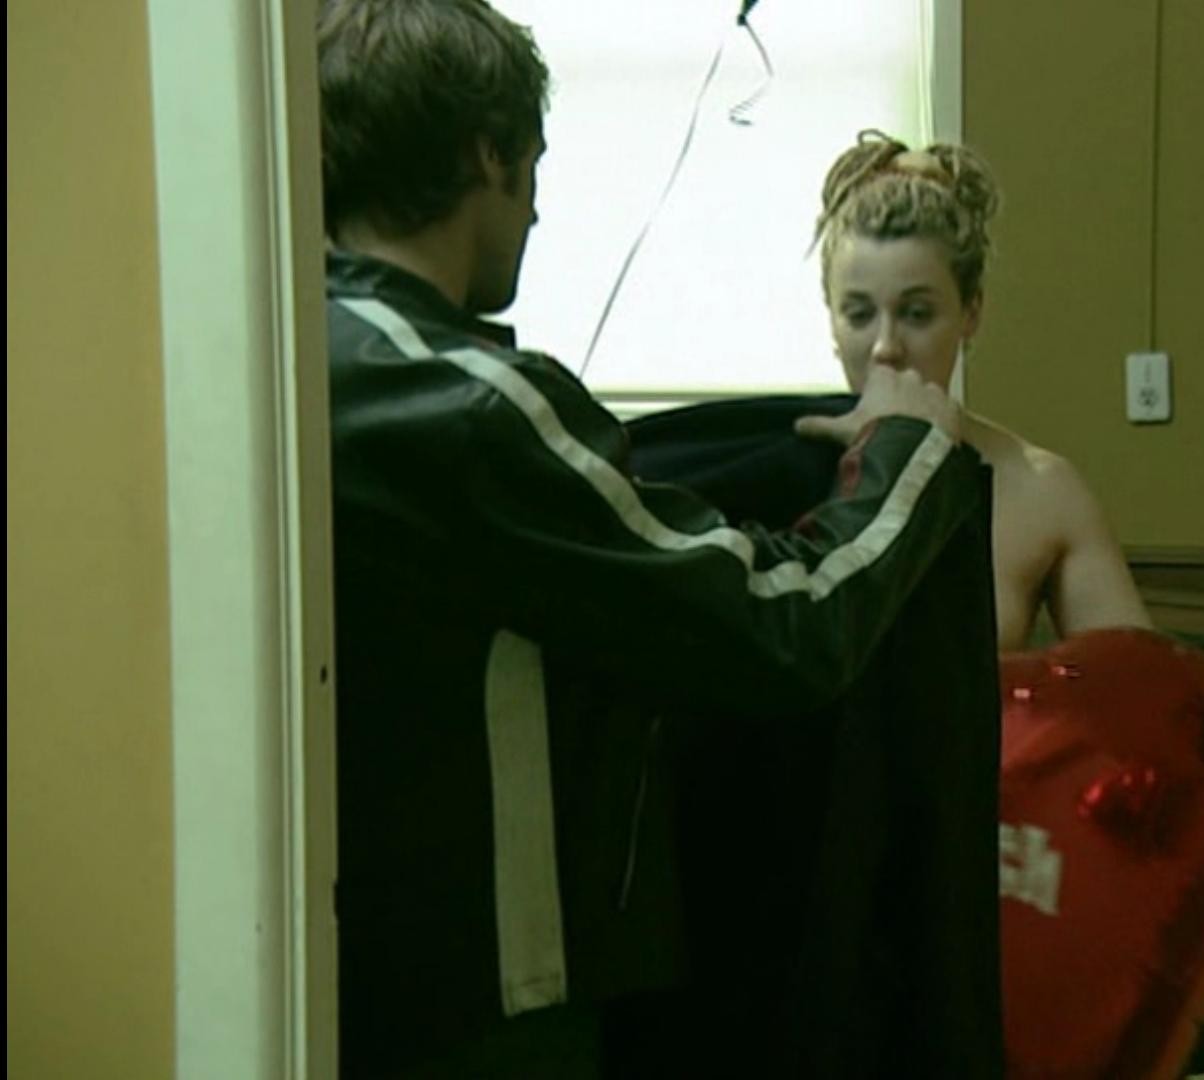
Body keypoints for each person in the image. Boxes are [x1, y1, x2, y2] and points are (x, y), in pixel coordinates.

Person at [317, 5, 991, 1075]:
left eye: (916, 310)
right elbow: (782, 625)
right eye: (535, 167)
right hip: (487, 1004)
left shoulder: (294, 358)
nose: (540, 210)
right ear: (489, 155)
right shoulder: (466, 404)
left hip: (336, 973)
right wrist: (913, 451)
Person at [806, 131, 1204, 821]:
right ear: (832, 322)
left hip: (967, 847)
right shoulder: (773, 470)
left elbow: (1140, 686)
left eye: (916, 312)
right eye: (859, 313)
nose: (885, 346)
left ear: (971, 313)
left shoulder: (1037, 490)